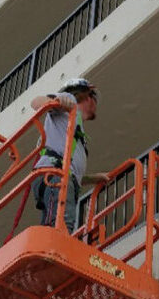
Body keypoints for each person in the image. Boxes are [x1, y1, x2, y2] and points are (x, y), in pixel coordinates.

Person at [30, 78, 108, 232]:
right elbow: (36, 102)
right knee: (61, 225)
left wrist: (94, 178)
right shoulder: (69, 104)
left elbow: (70, 168)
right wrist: (60, 101)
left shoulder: (74, 124)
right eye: (93, 97)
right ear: (86, 96)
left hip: (58, 177)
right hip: (55, 176)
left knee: (54, 226)